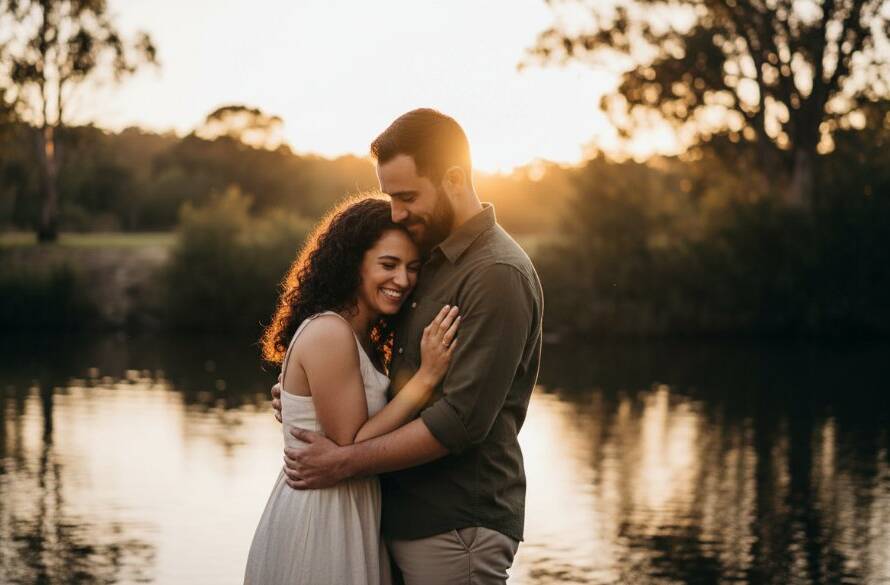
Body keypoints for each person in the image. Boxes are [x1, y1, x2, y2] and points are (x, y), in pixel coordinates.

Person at [271, 109, 544, 585]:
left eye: (406, 196)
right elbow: (387, 376)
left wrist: (342, 461)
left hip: (456, 525)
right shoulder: (431, 258)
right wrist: (306, 400)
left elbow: (460, 420)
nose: (396, 211)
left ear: (454, 178)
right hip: (396, 519)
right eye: (390, 197)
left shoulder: (496, 274)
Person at [244, 196, 461, 585]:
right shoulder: (331, 331)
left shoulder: (363, 338)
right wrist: (426, 380)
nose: (403, 280)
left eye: (412, 268)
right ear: (353, 263)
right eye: (388, 264)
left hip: (349, 507)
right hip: (320, 515)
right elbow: (350, 442)